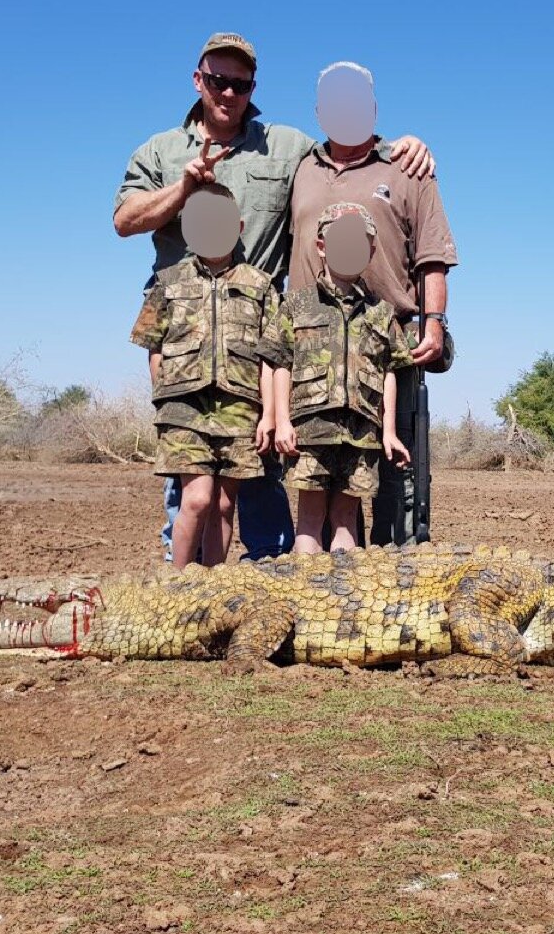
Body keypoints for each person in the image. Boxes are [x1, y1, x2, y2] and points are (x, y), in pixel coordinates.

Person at [113, 34, 434, 561]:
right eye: (219, 81)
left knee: (257, 466)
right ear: (198, 80)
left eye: (241, 84)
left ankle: (260, 573)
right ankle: (182, 590)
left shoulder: (284, 145)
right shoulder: (158, 151)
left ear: (251, 88)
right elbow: (124, 221)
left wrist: (404, 146)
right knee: (194, 490)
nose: (229, 92)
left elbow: (346, 154)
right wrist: (184, 191)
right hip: (186, 345)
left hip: (260, 334)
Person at [288, 62, 457, 546]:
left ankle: (395, 581)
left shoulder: (408, 167)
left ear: (373, 109)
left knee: (392, 471)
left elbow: (433, 256)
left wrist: (434, 324)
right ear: (319, 111)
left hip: (387, 344)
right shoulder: (299, 166)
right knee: (320, 481)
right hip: (310, 351)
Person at [130, 183, 284, 567]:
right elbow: (153, 345)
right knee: (196, 499)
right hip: (184, 408)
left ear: (240, 226)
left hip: (239, 406)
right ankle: (178, 588)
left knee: (224, 504)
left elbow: (269, 357)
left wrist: (267, 415)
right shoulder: (166, 282)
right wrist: (163, 397)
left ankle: (212, 590)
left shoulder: (261, 286)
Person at [273, 203, 411, 553]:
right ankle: (307, 600)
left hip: (361, 433)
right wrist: (281, 422)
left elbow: (389, 371)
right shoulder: (296, 304)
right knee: (308, 521)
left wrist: (389, 431)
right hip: (310, 429)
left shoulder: (381, 312)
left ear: (371, 251)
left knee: (346, 519)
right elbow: (280, 364)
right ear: (321, 246)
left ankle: (343, 604)